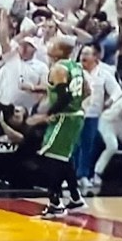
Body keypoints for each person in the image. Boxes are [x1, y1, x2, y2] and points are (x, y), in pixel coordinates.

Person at [29, 42, 91, 218]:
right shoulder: (76, 67)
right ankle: (75, 197)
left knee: (50, 158)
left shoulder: (58, 69)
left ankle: (55, 203)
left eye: (53, 44)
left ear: (59, 51)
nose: (49, 45)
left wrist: (47, 114)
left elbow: (65, 97)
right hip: (75, 116)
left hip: (64, 117)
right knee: (63, 158)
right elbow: (87, 91)